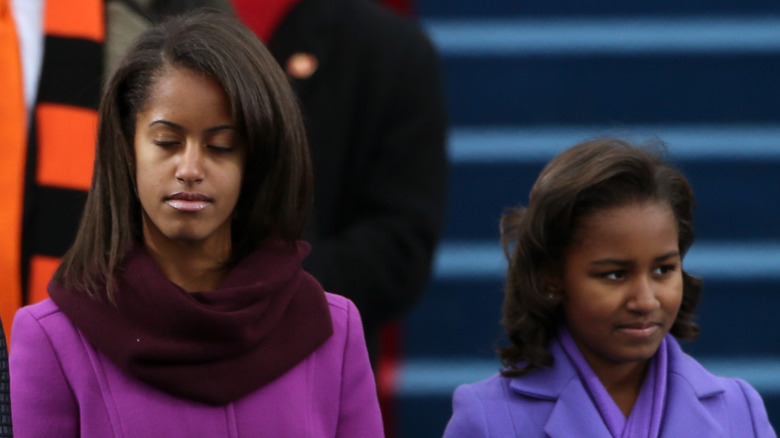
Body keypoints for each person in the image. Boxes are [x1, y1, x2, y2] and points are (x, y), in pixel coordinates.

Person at [10, 10, 383, 437]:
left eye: (221, 146)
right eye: (167, 142)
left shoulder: (331, 331)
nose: (190, 168)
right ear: (127, 150)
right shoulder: (55, 338)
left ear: (256, 161)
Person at [443, 138, 777, 437]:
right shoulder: (489, 418)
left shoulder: (738, 409)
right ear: (551, 276)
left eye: (664, 269)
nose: (645, 301)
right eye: (615, 275)